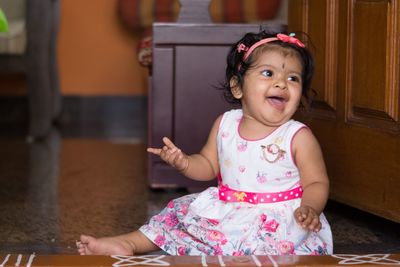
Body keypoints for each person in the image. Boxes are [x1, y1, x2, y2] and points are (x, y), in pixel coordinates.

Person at [77, 31, 333, 256]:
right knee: (175, 220)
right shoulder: (226, 124)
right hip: (228, 210)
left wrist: (309, 208)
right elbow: (208, 165)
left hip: (278, 221)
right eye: (268, 73)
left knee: (270, 250)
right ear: (237, 87)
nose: (281, 83)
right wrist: (184, 162)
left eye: (293, 79)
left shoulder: (297, 136)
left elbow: (316, 181)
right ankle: (129, 243)